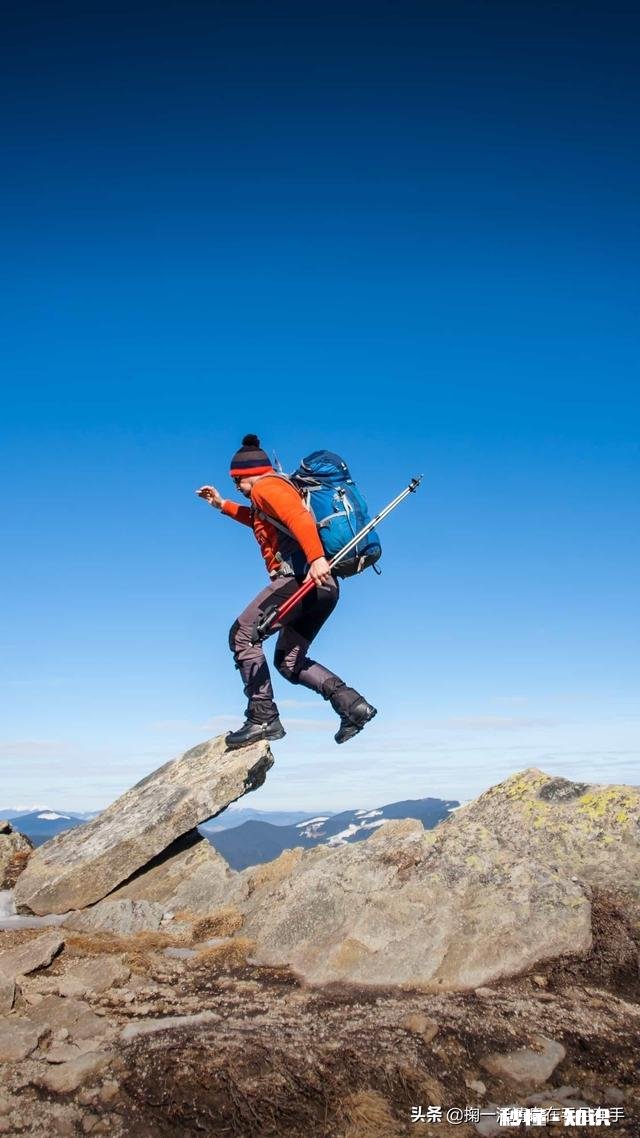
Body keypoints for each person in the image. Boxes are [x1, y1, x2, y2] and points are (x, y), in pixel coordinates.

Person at [196, 434, 377, 749]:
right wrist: (220, 505)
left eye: (237, 480)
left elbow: (298, 517)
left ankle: (262, 717)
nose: (236, 486)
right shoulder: (269, 495)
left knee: (242, 635)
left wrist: (316, 558)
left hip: (302, 580)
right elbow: (256, 520)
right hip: (324, 587)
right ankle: (352, 706)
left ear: (248, 474)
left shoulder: (269, 486)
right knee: (289, 661)